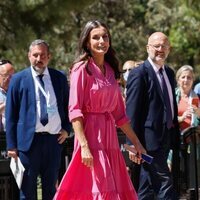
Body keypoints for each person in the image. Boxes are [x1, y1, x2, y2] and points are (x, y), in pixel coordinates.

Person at [54, 20, 146, 200]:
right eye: (95, 37)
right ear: (87, 42)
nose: (101, 41)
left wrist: (137, 143)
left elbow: (120, 114)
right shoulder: (81, 69)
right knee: (97, 187)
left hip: (109, 136)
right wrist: (84, 146)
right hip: (89, 136)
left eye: (105, 37)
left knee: (111, 187)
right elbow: (74, 111)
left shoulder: (111, 70)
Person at [6, 39, 71, 200]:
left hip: (53, 142)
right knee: (27, 192)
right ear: (29, 56)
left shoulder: (59, 78)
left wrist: (66, 128)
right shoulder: (18, 79)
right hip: (28, 144)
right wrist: (12, 145)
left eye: (42, 55)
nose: (38, 58)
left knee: (50, 189)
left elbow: (68, 106)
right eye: (35, 55)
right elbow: (11, 114)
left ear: (49, 57)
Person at [126, 32, 180, 199]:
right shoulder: (139, 73)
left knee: (147, 186)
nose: (160, 49)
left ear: (169, 49)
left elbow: (171, 104)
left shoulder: (170, 73)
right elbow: (132, 111)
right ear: (147, 48)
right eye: (156, 46)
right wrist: (131, 144)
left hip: (166, 139)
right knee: (164, 183)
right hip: (147, 143)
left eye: (164, 46)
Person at [175, 65, 200, 193]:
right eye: (183, 77)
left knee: (192, 175)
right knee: (179, 174)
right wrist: (181, 117)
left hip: (193, 141)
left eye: (189, 77)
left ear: (193, 80)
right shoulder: (173, 95)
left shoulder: (196, 97)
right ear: (178, 79)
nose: (186, 80)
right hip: (175, 141)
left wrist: (198, 112)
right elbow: (168, 117)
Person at [0, 59, 14, 132]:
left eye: (12, 76)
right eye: (6, 75)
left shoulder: (17, 91)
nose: (9, 79)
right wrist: (7, 103)